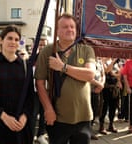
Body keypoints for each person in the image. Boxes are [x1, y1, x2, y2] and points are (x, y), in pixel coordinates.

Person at [35, 13, 96, 144]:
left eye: (72, 27)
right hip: (57, 117)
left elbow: (90, 75)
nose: (70, 29)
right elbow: (39, 83)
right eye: (65, 27)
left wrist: (63, 67)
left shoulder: (86, 49)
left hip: (83, 117)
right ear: (57, 31)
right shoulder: (47, 51)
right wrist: (48, 109)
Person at [0, 25, 34, 144]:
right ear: (1, 40)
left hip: (20, 124)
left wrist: (24, 117)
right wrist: (4, 116)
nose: (13, 42)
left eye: (16, 39)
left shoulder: (25, 66)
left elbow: (31, 97)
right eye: (9, 38)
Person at [32, 36, 49, 144]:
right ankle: (31, 134)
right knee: (33, 114)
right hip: (35, 91)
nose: (42, 46)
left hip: (47, 91)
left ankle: (41, 135)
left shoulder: (51, 58)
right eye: (40, 44)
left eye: (44, 44)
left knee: (44, 114)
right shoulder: (33, 58)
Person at [98, 57, 122, 135]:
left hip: (115, 87)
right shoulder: (102, 61)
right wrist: (113, 62)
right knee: (104, 107)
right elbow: (107, 71)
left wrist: (118, 80)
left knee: (113, 106)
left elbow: (119, 73)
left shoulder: (114, 61)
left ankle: (111, 124)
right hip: (106, 88)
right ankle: (101, 125)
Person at [90, 57, 105, 140]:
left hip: (98, 91)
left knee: (95, 110)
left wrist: (101, 85)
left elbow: (103, 75)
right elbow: (87, 76)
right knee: (88, 112)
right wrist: (99, 84)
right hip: (88, 91)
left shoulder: (99, 61)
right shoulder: (88, 60)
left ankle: (90, 130)